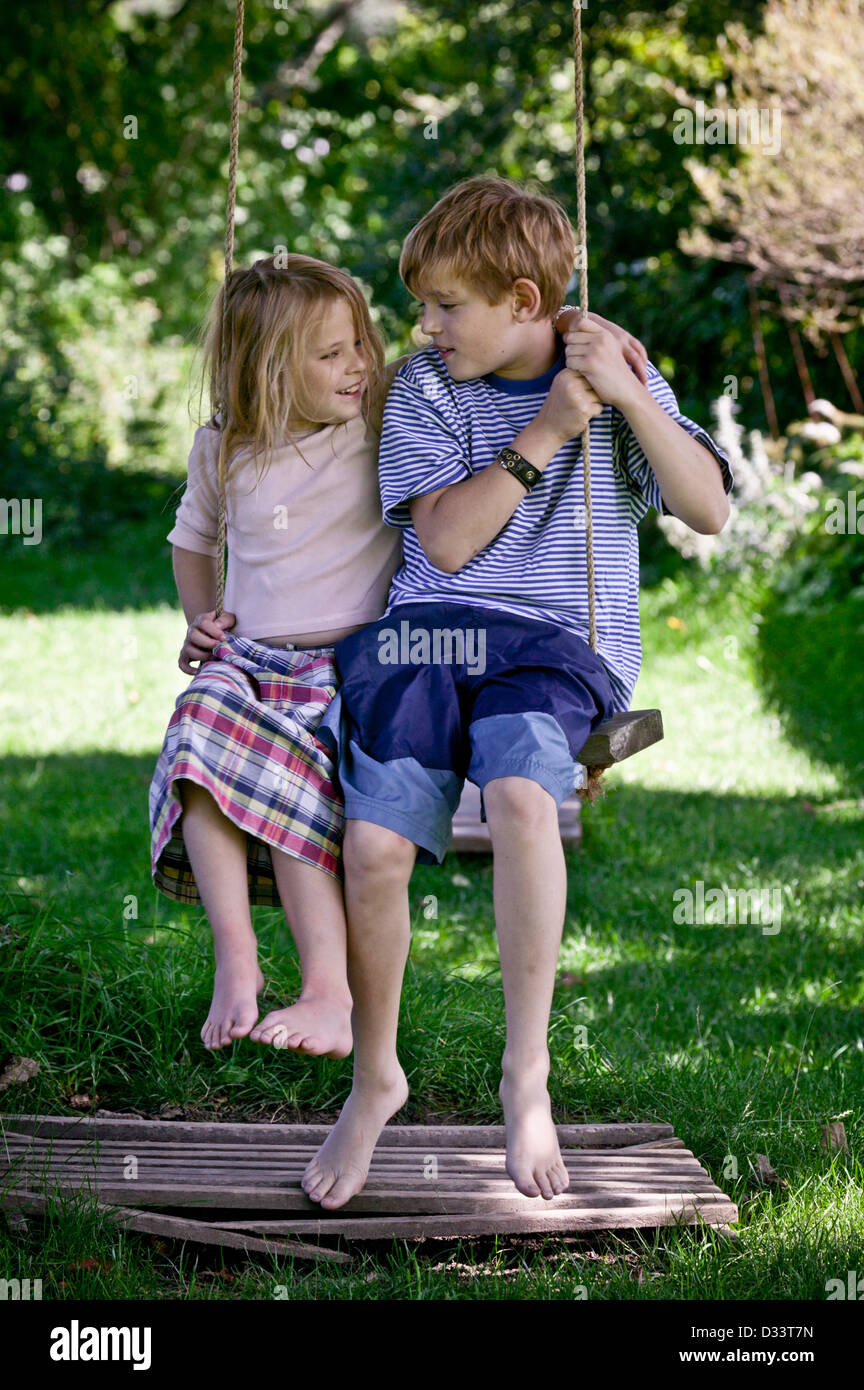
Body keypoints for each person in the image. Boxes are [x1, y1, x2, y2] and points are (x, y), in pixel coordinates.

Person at [300, 176, 734, 1209]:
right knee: (375, 846)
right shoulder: (427, 387)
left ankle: (525, 1074)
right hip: (424, 637)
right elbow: (447, 544)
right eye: (425, 306)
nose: (427, 326)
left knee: (525, 798)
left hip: (555, 648)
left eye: (447, 305)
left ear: (524, 301)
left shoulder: (614, 370)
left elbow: (710, 510)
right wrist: (544, 430)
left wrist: (626, 395)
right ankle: (375, 1076)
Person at [149, 249, 645, 1059]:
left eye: (360, 344)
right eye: (331, 353)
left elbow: (498, 335)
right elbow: (192, 542)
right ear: (269, 369)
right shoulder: (224, 447)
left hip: (341, 669)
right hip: (248, 661)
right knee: (196, 748)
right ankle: (235, 960)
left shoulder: (377, 415)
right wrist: (203, 619)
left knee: (293, 794)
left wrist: (565, 321)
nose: (358, 363)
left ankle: (327, 990)